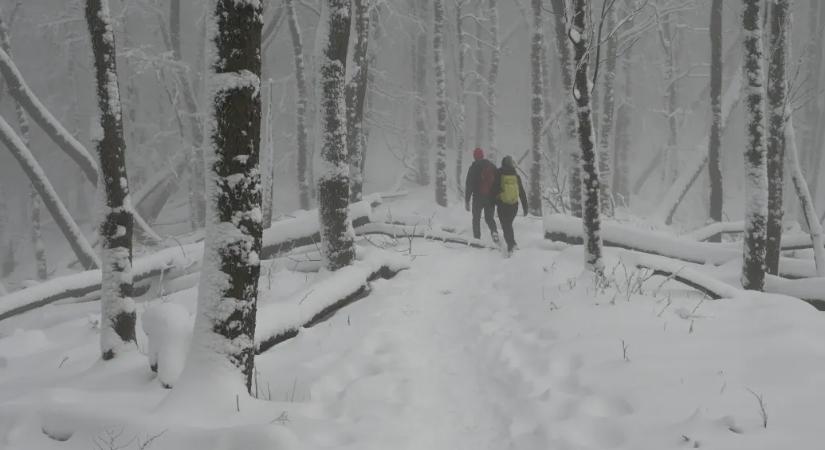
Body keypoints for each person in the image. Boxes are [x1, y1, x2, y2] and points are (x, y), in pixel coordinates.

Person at [465, 148, 499, 242]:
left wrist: (467, 200)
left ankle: (477, 239)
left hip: (478, 198)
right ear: (483, 155)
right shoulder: (491, 166)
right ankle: (494, 231)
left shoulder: (473, 167)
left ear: (474, 156)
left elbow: (469, 184)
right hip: (490, 198)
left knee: (476, 218)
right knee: (489, 218)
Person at [495, 155, 528, 254]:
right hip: (514, 205)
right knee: (508, 225)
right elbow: (521, 192)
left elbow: (494, 189)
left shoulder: (499, 173)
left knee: (506, 226)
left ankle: (512, 246)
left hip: (502, 205)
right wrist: (525, 207)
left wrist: (492, 203)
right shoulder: (516, 176)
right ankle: (512, 246)